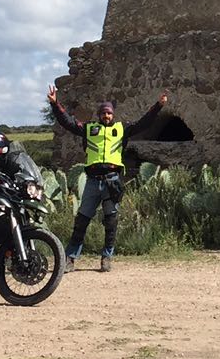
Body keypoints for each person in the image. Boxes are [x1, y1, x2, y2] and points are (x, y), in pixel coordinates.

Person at [47, 84, 168, 271]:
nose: (106, 116)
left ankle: (106, 257)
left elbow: (144, 123)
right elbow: (68, 122)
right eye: (103, 113)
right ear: (99, 115)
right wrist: (55, 104)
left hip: (112, 181)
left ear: (113, 115)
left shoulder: (121, 129)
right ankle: (71, 258)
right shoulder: (89, 129)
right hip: (93, 182)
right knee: (81, 221)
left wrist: (158, 106)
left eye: (109, 114)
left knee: (111, 222)